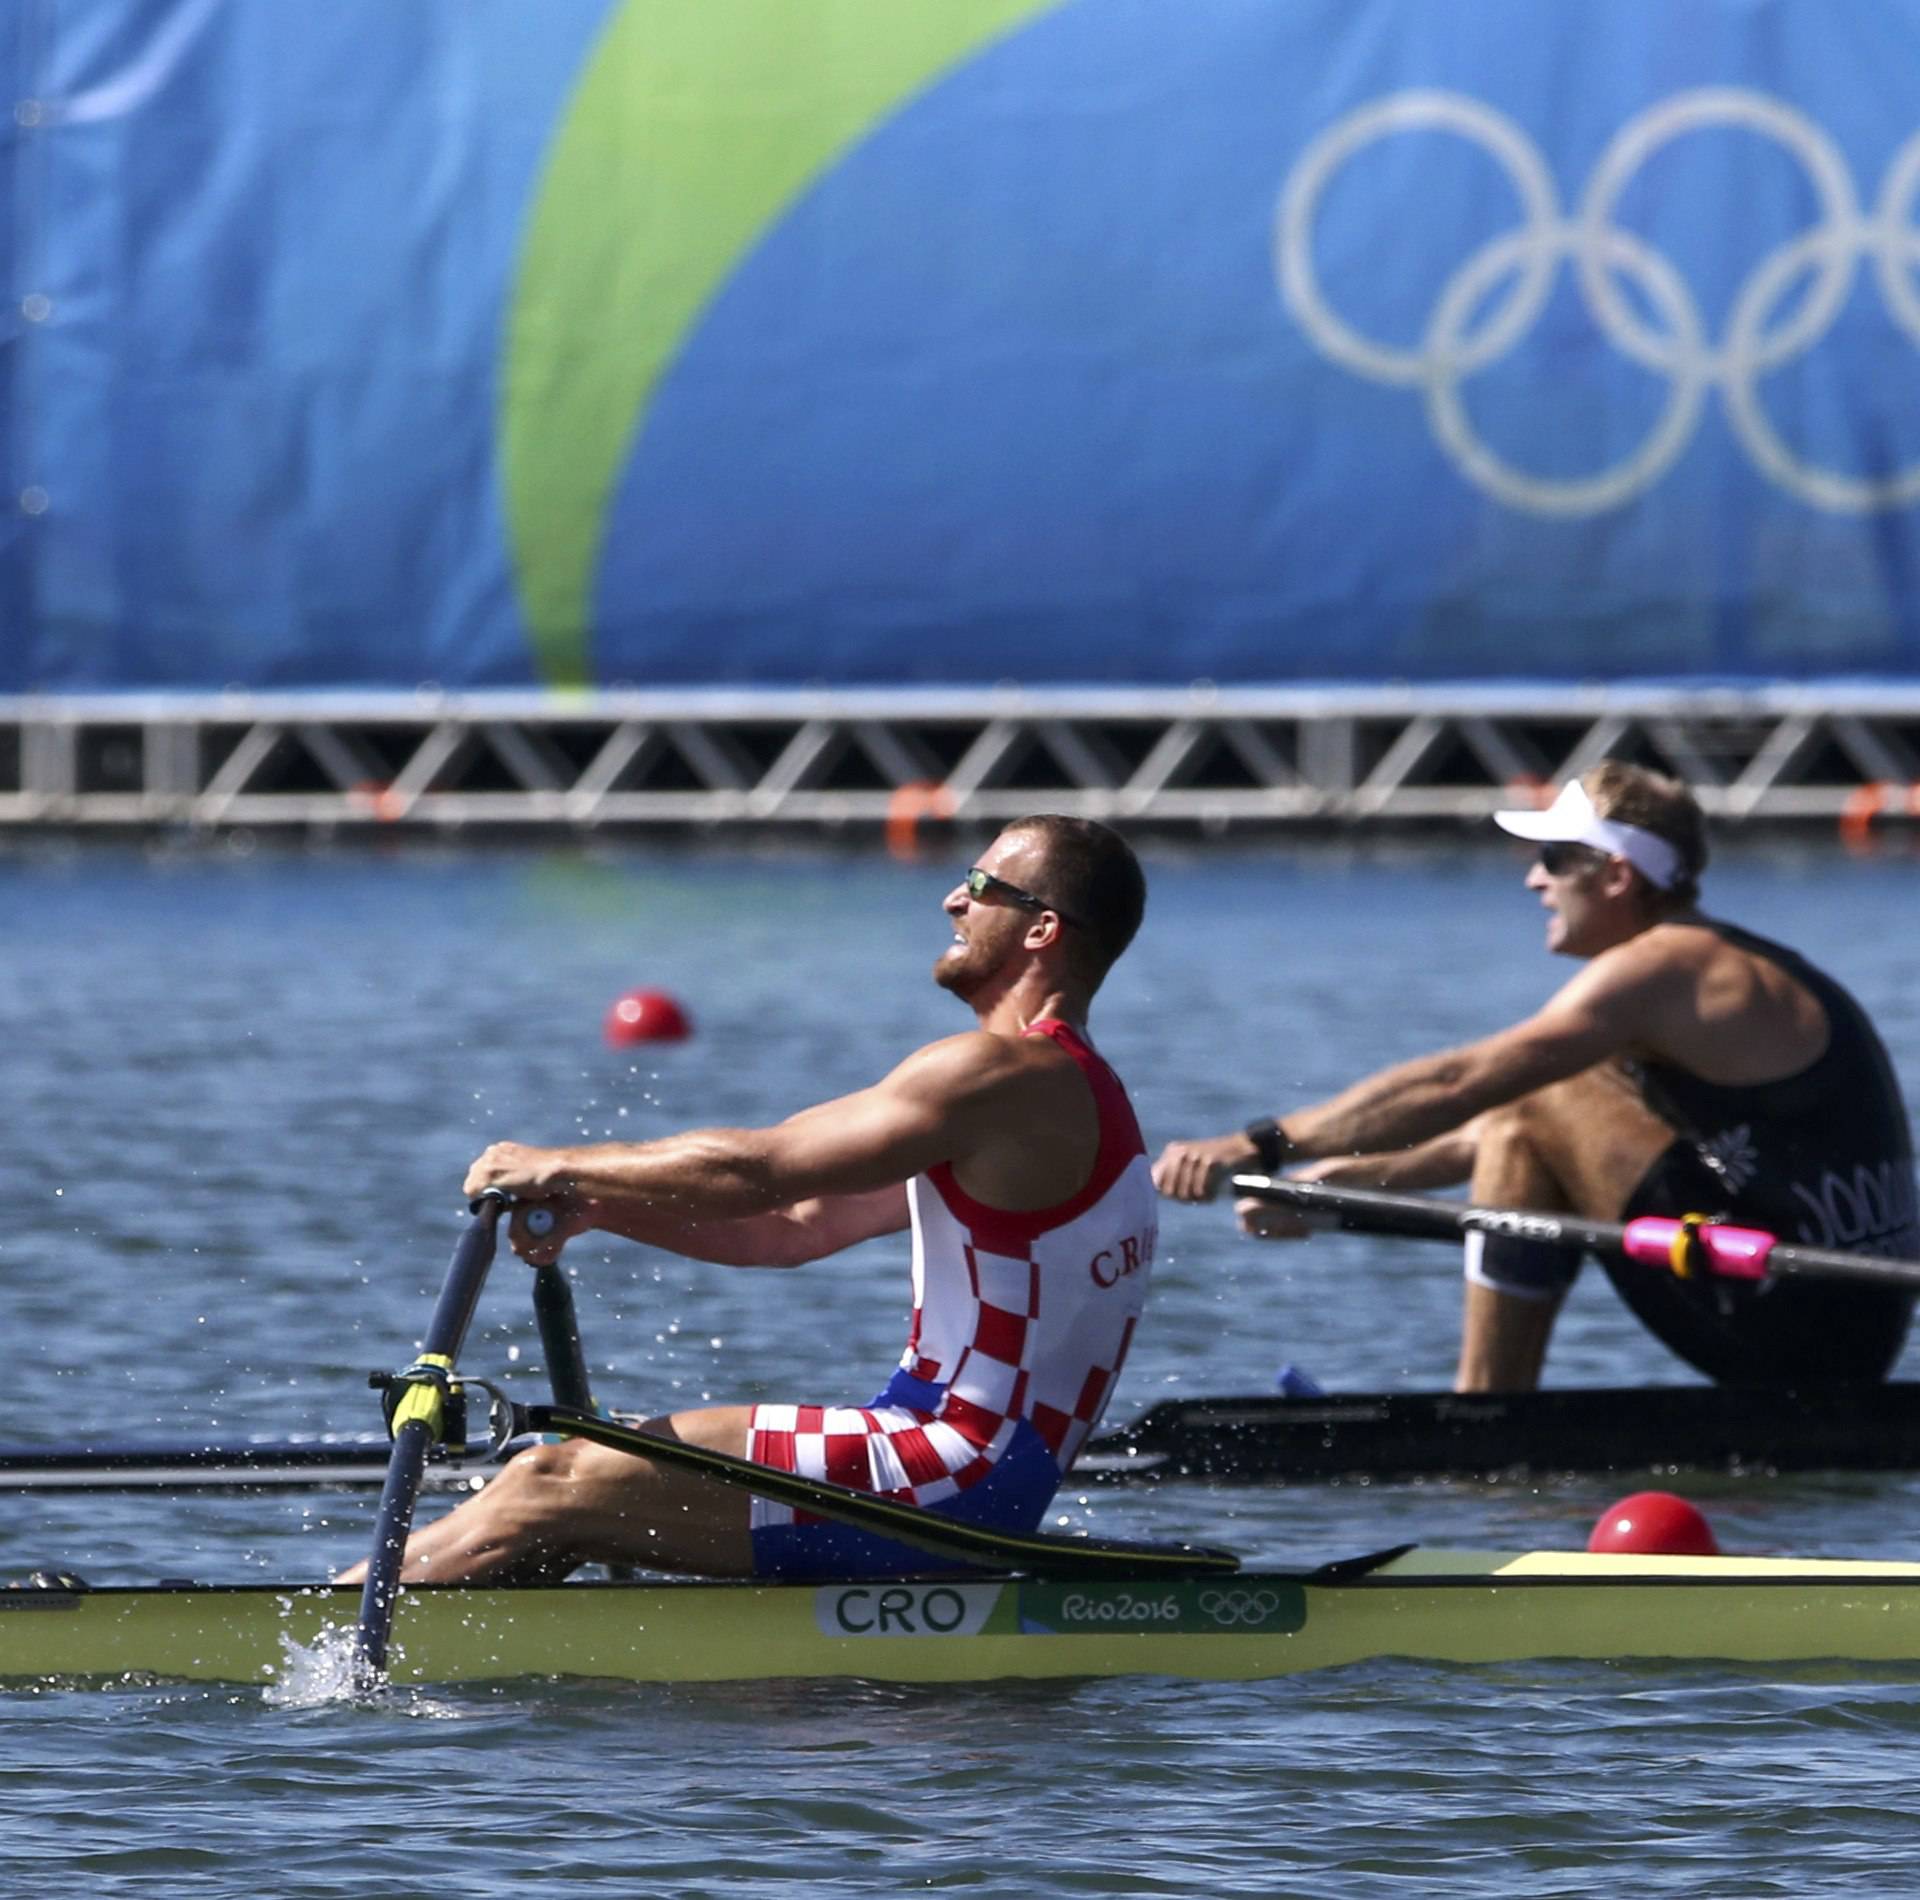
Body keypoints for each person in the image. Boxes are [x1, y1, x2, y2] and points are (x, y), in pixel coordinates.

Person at [343, 815, 1152, 1585]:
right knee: (580, 1489)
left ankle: (305, 1646)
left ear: (1041, 929)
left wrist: (559, 1162)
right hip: (973, 1474)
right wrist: (605, 1207)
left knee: (550, 1477)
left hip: (948, 1468)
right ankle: (441, 1653)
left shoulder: (1002, 1077)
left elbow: (764, 1169)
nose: (953, 899)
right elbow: (790, 1227)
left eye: (980, 884)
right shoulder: (1074, 1096)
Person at [1152, 762, 1918, 1392]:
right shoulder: (1709, 962)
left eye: (1553, 860)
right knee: (1539, 1106)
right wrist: (1331, 1198)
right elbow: (1500, 1133)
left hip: (1809, 1329)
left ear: (1617, 875)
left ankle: (1486, 1412)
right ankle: (1492, 1412)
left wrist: (1260, 1144)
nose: (1533, 883)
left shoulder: (1662, 973)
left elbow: (1462, 1085)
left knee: (1534, 1098)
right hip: (1846, 1319)